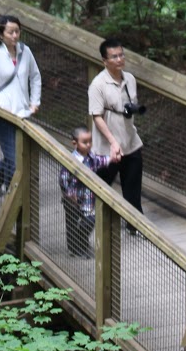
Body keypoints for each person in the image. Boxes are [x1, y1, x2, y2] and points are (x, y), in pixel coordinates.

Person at [0, 14, 41, 197]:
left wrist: (35, 101)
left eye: (17, 32)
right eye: (10, 32)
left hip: (23, 114)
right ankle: (16, 199)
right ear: (1, 34)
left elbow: (35, 76)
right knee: (15, 159)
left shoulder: (25, 52)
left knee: (15, 155)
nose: (14, 36)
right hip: (3, 117)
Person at [87, 36, 145, 220]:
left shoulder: (130, 79)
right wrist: (113, 143)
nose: (119, 59)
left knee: (133, 189)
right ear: (104, 61)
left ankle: (135, 224)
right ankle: (88, 223)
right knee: (100, 187)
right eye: (114, 57)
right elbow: (97, 116)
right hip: (107, 149)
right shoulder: (98, 85)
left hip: (131, 143)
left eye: (121, 55)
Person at [59, 126, 111, 257]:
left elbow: (100, 161)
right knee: (71, 224)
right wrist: (69, 194)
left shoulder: (91, 157)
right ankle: (74, 249)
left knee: (90, 220)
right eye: (85, 142)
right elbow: (63, 178)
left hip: (88, 198)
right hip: (72, 200)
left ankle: (82, 242)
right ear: (75, 143)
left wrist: (112, 158)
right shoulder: (70, 159)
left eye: (90, 141)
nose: (88, 145)